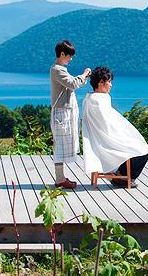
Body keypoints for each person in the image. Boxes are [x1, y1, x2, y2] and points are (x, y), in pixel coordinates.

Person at [82, 66, 148, 188]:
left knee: (138, 146)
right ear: (100, 82)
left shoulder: (91, 97)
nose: (111, 85)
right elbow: (107, 125)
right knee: (143, 150)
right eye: (108, 81)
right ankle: (124, 177)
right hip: (106, 140)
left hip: (99, 139)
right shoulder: (98, 100)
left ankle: (121, 175)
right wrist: (123, 134)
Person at [50, 40, 91, 189]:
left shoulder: (60, 69)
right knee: (60, 146)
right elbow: (72, 84)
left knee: (61, 145)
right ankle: (60, 179)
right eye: (69, 55)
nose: (71, 58)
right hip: (61, 112)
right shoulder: (57, 70)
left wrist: (83, 78)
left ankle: (60, 178)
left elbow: (73, 83)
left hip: (64, 112)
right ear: (62, 54)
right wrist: (84, 74)